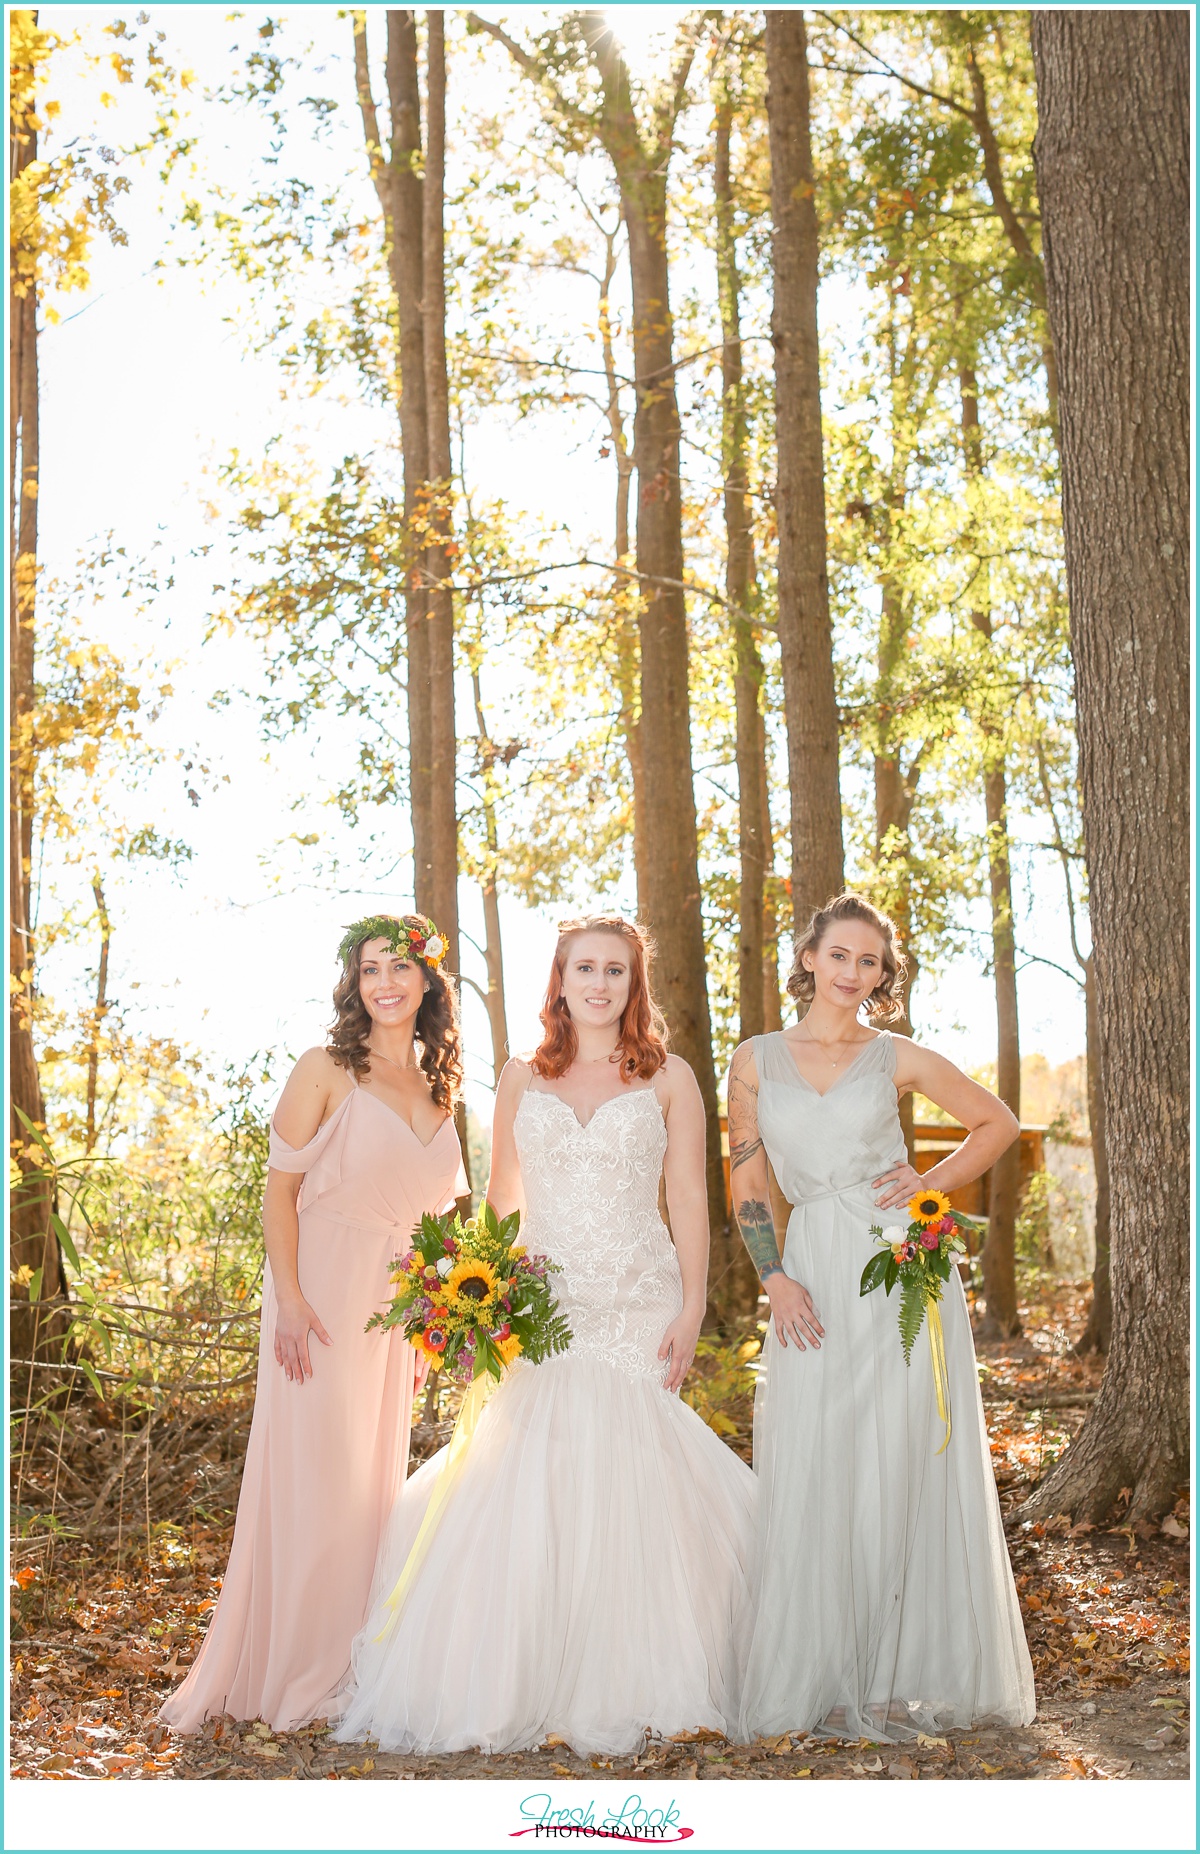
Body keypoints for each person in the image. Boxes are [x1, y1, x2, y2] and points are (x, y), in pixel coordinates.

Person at [335, 915, 756, 1756]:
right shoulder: (521, 1076)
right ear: (559, 982)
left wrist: (692, 1303)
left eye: (615, 971)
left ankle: (639, 1667)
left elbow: (688, 1202)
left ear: (634, 986)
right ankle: (526, 1670)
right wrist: (474, 1298)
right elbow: (502, 1199)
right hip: (543, 1293)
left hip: (638, 1291)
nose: (599, 984)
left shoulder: (670, 1078)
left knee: (631, 1463)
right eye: (583, 969)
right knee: (531, 1466)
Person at [730, 892, 1035, 1743]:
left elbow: (996, 1123)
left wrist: (931, 1183)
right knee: (819, 1446)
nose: (853, 973)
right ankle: (824, 1663)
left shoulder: (896, 1055)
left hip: (900, 1267)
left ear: (881, 974)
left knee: (901, 1456)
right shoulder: (753, 1061)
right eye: (840, 956)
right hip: (814, 1266)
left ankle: (902, 1668)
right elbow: (749, 1183)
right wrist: (775, 1277)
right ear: (810, 957)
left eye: (870, 962)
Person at [161, 914, 466, 1734]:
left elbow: (440, 1227)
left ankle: (351, 1658)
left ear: (429, 980)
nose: (387, 983)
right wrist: (289, 1298)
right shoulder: (325, 1069)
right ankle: (294, 1668)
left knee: (371, 1488)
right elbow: (279, 1193)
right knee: (318, 1482)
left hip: (397, 1310)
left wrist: (437, 1326)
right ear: (354, 985)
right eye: (371, 970)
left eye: (402, 967)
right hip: (324, 1297)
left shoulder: (442, 1085)